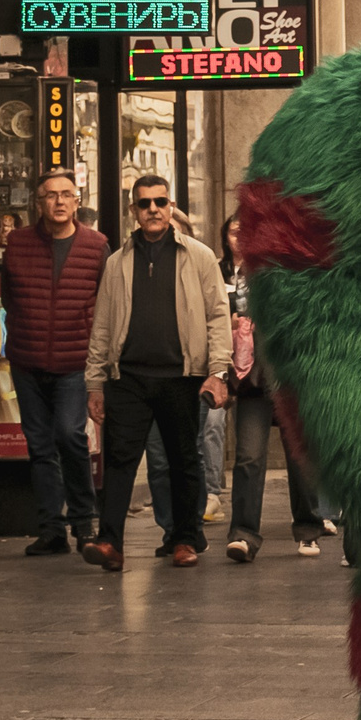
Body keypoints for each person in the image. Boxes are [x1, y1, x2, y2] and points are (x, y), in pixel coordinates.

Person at [81, 174, 231, 572]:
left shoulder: (197, 256)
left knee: (183, 459)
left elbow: (219, 315)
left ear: (170, 207)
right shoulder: (117, 263)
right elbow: (102, 325)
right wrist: (95, 382)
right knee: (119, 459)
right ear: (134, 211)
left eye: (160, 202)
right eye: (144, 203)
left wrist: (218, 371)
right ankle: (110, 542)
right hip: (127, 376)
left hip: (182, 375)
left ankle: (184, 539)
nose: (153, 209)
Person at [0, 169, 108, 555]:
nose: (59, 201)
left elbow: (106, 305)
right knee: (40, 446)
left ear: (77, 201)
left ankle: (84, 522)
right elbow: (8, 297)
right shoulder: (18, 242)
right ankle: (51, 530)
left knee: (69, 435)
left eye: (66, 194)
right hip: (27, 360)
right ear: (38, 202)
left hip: (75, 361)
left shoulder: (97, 245)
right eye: (50, 195)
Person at [219, 211, 326, 561]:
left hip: (288, 374)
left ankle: (308, 527)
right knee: (248, 456)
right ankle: (243, 535)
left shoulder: (289, 268)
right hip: (251, 378)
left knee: (298, 456)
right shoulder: (232, 272)